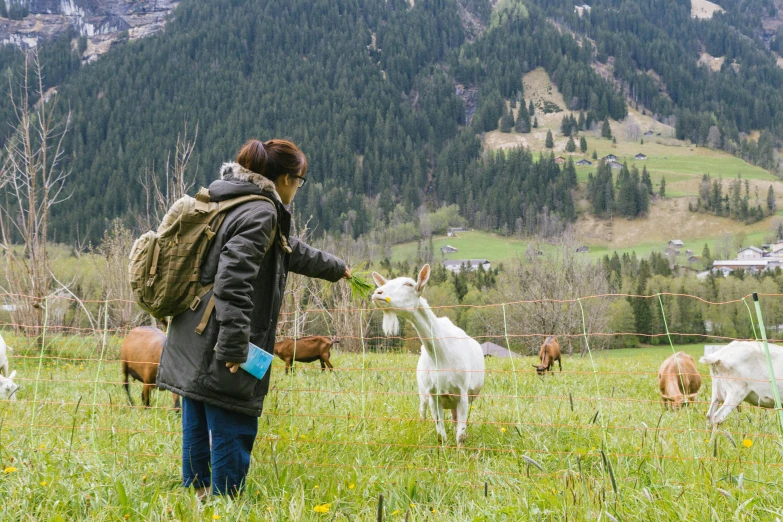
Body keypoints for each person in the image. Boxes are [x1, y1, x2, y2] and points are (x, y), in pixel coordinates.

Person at [157, 139, 350, 497]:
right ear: (286, 179)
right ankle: (224, 505)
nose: (297, 188)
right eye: (299, 180)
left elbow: (289, 250)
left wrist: (337, 268)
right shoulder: (261, 212)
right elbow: (234, 281)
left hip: (192, 328)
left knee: (197, 415)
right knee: (232, 418)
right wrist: (234, 348)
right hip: (220, 337)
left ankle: (196, 500)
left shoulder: (231, 198)